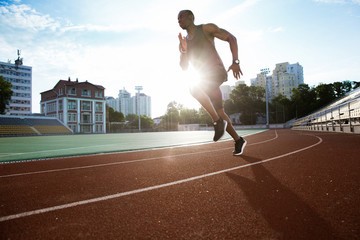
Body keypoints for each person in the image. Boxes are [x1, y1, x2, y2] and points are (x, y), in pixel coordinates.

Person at [177, 9, 246, 156]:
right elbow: (184, 67)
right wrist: (183, 51)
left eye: (181, 16)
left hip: (215, 72)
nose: (179, 20)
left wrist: (235, 61)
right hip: (204, 79)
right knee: (220, 112)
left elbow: (231, 38)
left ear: (191, 17)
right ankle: (238, 139)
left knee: (193, 87)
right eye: (177, 18)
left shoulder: (206, 29)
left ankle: (217, 122)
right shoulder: (184, 41)